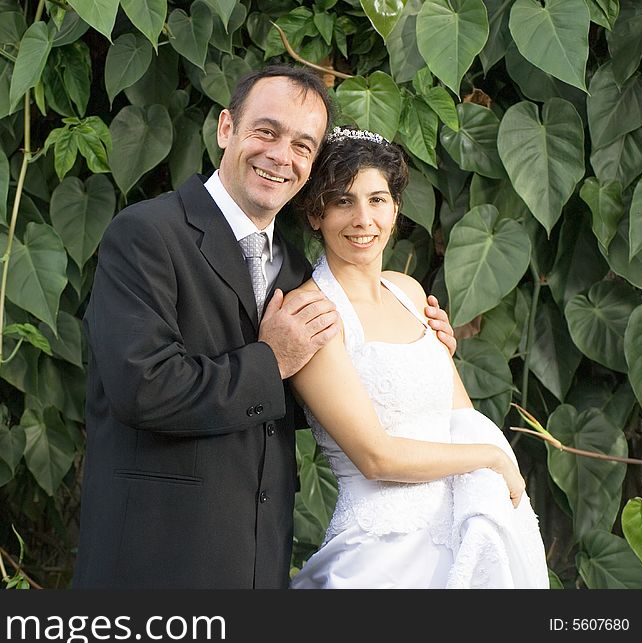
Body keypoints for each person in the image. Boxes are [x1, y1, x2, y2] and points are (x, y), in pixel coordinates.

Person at [74, 66, 456, 589]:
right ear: (227, 128)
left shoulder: (296, 270)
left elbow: (312, 403)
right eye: (267, 132)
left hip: (257, 560)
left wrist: (418, 355)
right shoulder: (147, 234)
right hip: (156, 558)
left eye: (303, 145)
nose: (282, 156)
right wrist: (270, 360)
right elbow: (143, 388)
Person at [288, 126, 549, 588]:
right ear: (315, 214)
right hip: (383, 551)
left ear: (396, 208)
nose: (363, 219)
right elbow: (376, 458)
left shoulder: (408, 291)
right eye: (343, 201)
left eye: (377, 200)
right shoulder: (314, 314)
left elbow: (460, 415)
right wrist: (492, 459)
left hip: (461, 523)